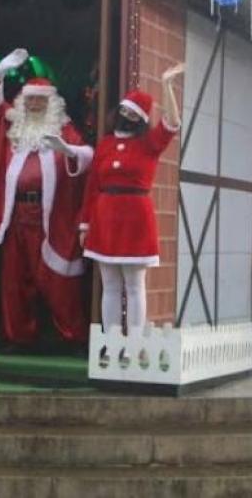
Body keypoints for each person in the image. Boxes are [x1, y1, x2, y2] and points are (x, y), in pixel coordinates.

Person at [0, 48, 91, 347]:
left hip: (50, 217)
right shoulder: (12, 129)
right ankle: (18, 336)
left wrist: (69, 151)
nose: (36, 104)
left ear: (52, 104)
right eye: (31, 99)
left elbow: (89, 156)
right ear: (23, 103)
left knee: (58, 280)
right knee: (14, 280)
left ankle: (71, 336)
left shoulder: (64, 131)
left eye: (41, 99)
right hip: (15, 217)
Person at [78, 65, 185, 334]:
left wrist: (167, 85)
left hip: (136, 217)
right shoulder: (105, 144)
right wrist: (85, 224)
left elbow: (172, 123)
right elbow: (93, 186)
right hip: (105, 217)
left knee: (135, 284)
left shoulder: (149, 143)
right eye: (123, 111)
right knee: (110, 283)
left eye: (132, 114)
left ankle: (134, 343)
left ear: (141, 119)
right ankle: (112, 341)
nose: (126, 116)